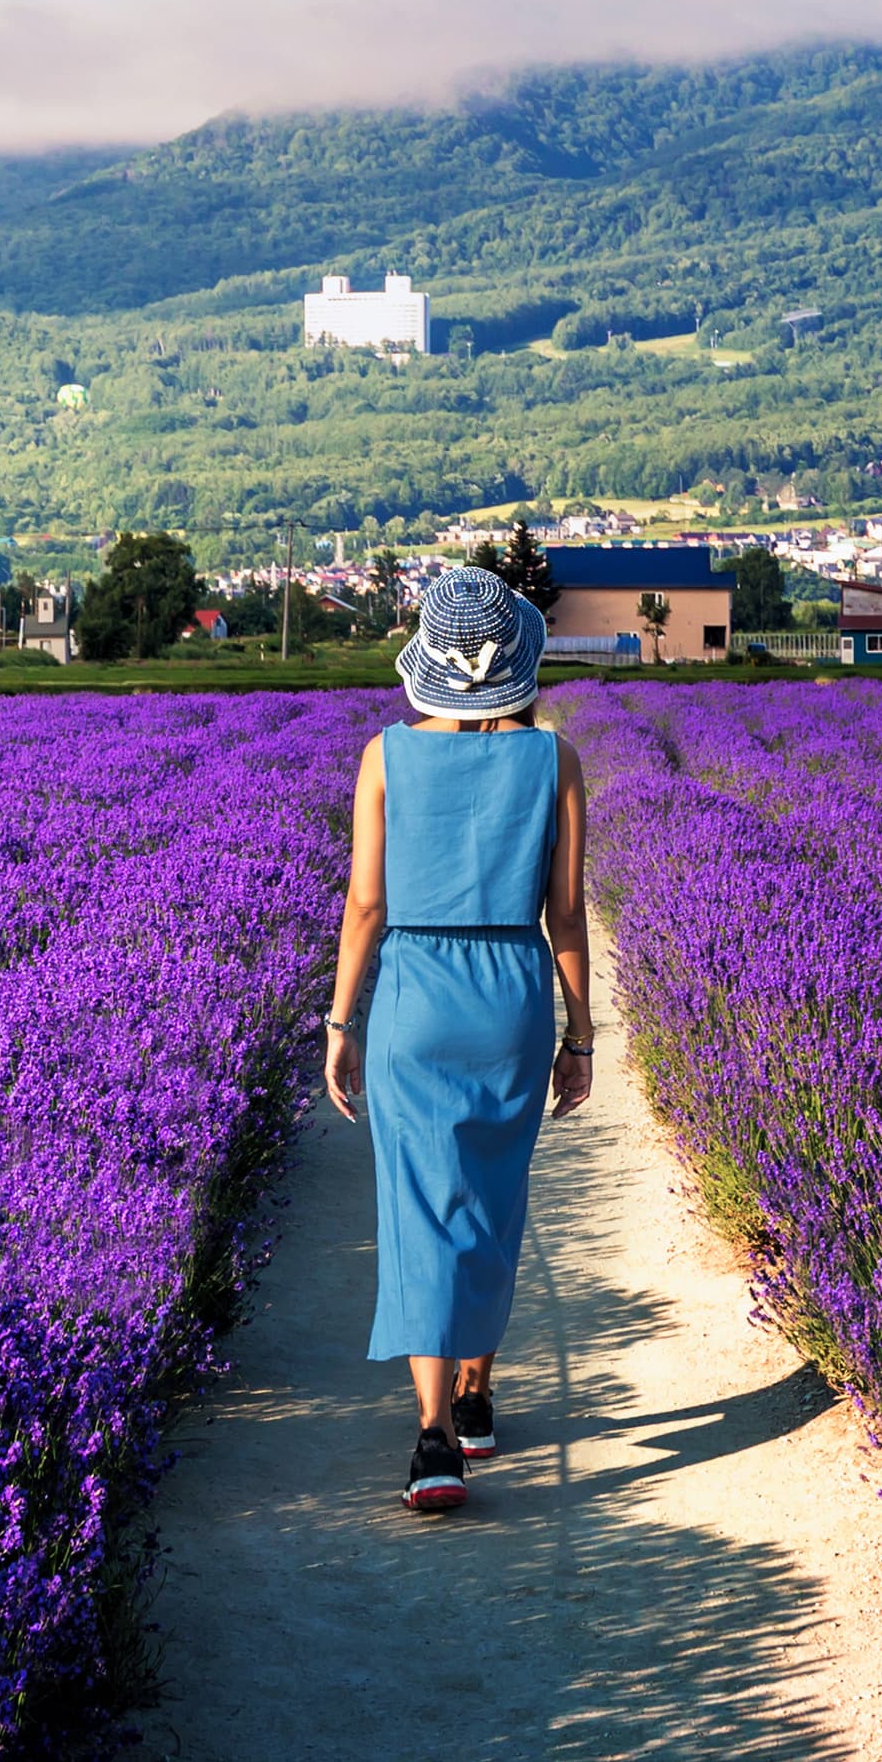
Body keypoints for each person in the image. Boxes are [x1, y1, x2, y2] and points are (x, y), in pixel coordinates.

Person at [323, 564, 598, 1512]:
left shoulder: (384, 757)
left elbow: (366, 903)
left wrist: (340, 1022)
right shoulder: (553, 761)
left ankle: (434, 1437)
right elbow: (566, 916)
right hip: (510, 994)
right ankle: (480, 1398)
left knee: (419, 1206)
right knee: (493, 1194)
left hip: (414, 991)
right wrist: (582, 1036)